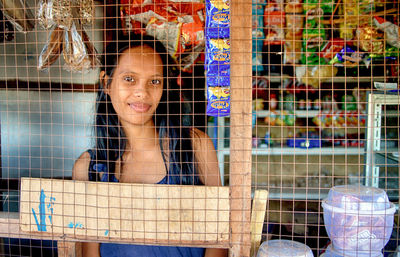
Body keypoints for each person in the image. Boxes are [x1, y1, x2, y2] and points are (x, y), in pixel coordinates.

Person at [72, 33, 227, 257]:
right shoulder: (89, 167)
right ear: (106, 83)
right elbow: (90, 253)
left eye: (154, 81)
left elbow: (218, 242)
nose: (142, 93)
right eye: (129, 79)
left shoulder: (195, 147)